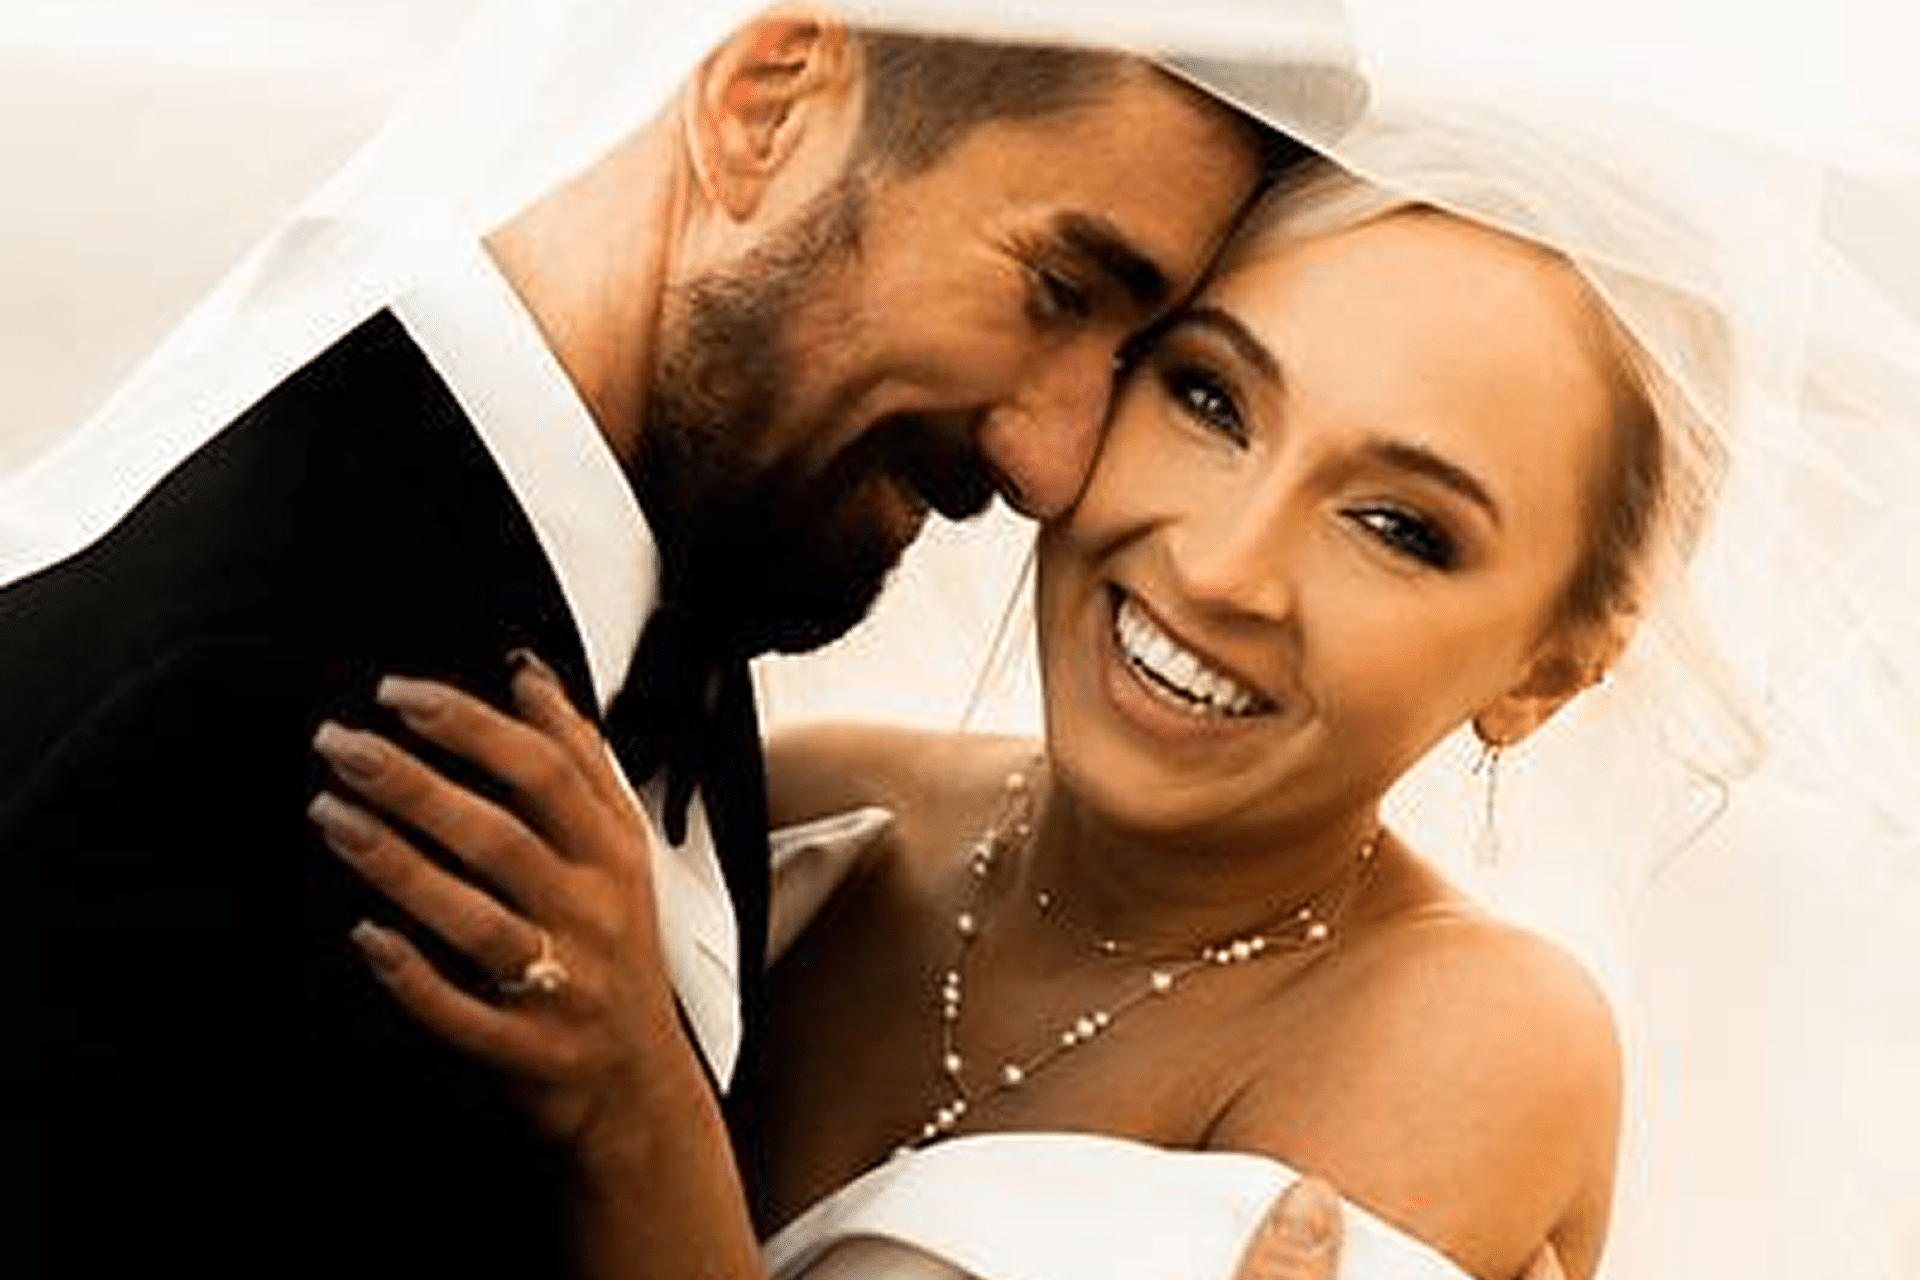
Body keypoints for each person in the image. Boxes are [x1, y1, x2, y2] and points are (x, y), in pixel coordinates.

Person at [3, 7, 1288, 1277]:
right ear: (764, 105)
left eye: (1136, 362)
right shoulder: (280, 719)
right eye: (1058, 290)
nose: (1056, 466)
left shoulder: (658, 614)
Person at [313, 150, 1712, 1278]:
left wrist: (633, 1113)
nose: (1224, 567)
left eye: (1398, 526)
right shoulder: (807, 809)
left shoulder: (1479, 1036)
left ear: (1549, 672)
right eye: (1210, 396)